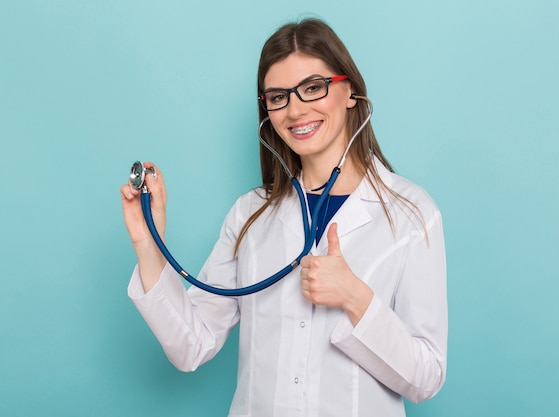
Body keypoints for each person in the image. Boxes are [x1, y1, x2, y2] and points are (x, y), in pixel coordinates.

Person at [120, 18, 447, 417]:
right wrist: (147, 242)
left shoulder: (411, 213)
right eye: (278, 97)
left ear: (351, 92)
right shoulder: (249, 215)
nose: (295, 110)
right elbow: (192, 345)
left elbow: (426, 377)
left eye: (313, 87)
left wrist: (354, 297)